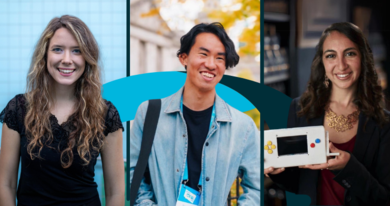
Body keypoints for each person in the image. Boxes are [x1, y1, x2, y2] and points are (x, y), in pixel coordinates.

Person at [130, 22, 260, 205]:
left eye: (220, 58)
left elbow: (256, 187)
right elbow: (133, 174)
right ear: (184, 58)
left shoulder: (244, 126)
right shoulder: (149, 113)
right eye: (203, 54)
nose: (211, 64)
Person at [0, 15, 125, 206]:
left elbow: (116, 192)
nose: (67, 60)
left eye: (77, 51)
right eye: (58, 49)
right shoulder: (18, 109)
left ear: (87, 58)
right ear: (45, 55)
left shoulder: (105, 113)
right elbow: (5, 184)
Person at [265, 22, 390, 206]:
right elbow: (298, 183)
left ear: (363, 58)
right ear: (322, 63)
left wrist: (348, 168)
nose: (341, 65)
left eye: (350, 53)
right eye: (331, 55)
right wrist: (276, 172)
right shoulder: (299, 109)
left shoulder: (383, 124)